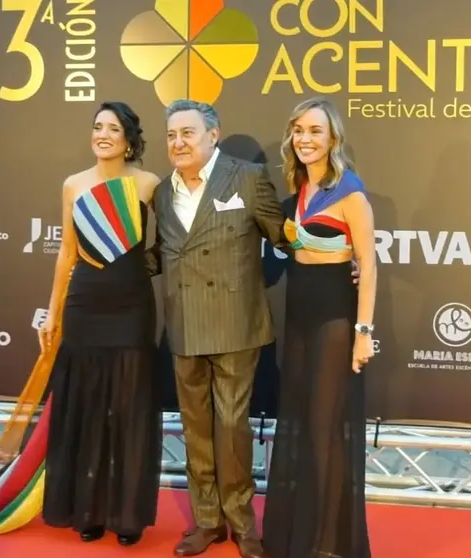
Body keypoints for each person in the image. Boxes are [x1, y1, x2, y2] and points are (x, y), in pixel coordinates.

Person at [0, 101, 163, 546]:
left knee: (129, 411)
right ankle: (89, 510)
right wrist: (53, 311)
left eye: (113, 128)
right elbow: (66, 253)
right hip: (84, 307)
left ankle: (127, 515)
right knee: (86, 410)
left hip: (132, 309)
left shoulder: (150, 184)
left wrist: (139, 270)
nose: (102, 134)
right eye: (97, 126)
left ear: (129, 139)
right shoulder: (73, 185)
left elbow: (171, 242)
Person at [146, 99, 285, 558]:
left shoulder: (246, 176)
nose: (178, 142)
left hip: (236, 324)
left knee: (230, 424)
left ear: (213, 134)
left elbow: (283, 237)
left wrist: (341, 257)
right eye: (171, 135)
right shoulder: (162, 193)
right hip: (184, 324)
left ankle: (243, 523)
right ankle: (207, 521)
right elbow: (157, 254)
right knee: (195, 427)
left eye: (187, 132)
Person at [261, 97, 376, 558]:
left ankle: (326, 543)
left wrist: (363, 331)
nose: (305, 139)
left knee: (325, 427)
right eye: (299, 131)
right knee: (302, 423)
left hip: (334, 318)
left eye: (315, 131)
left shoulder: (350, 192)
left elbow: (367, 265)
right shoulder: (296, 190)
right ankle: (299, 533)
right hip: (300, 316)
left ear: (333, 139)